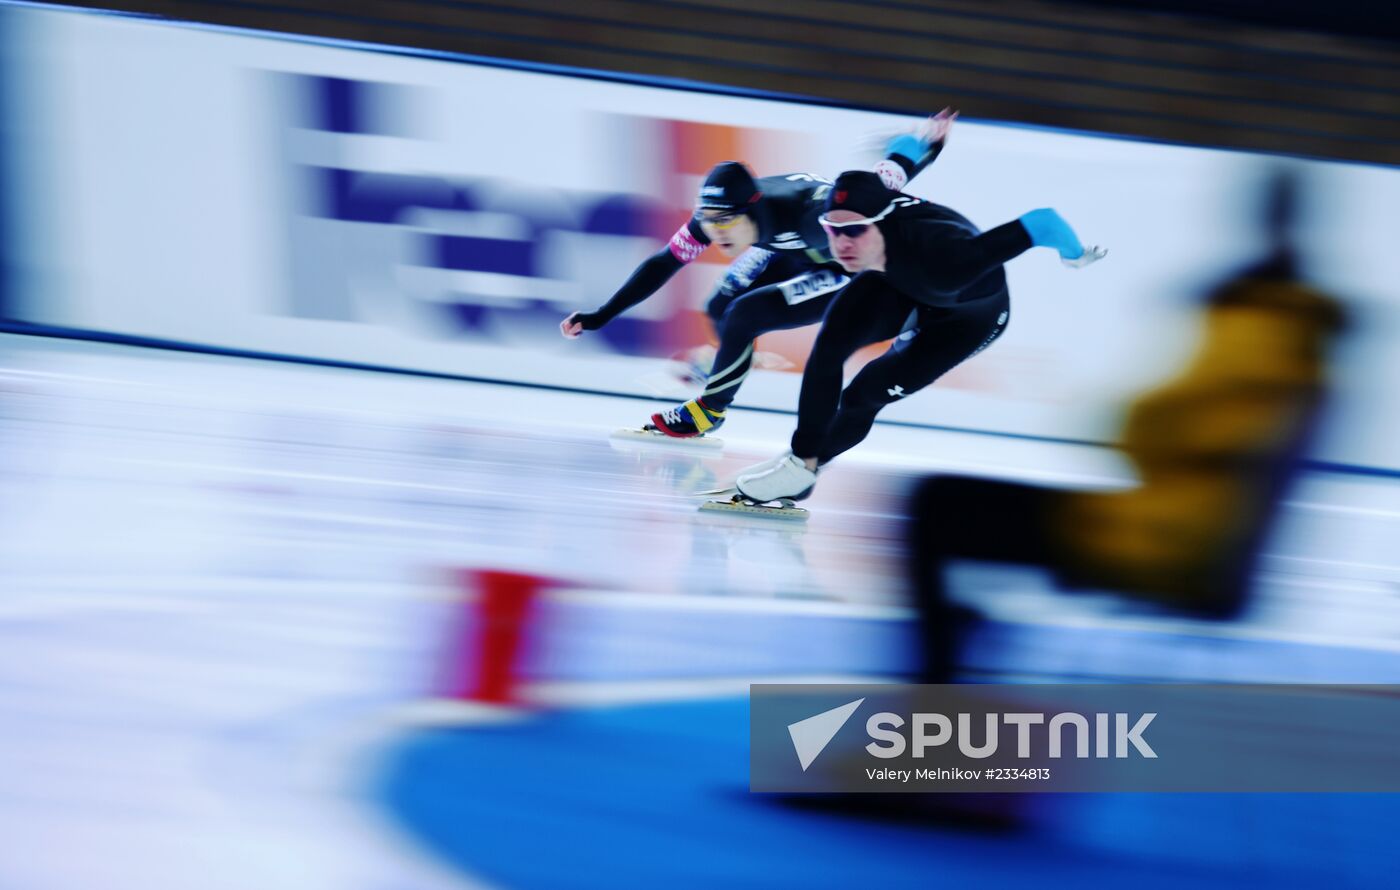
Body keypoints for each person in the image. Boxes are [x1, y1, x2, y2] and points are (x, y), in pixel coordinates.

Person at [905, 170, 1345, 681]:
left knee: (936, 503)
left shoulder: (1254, 329)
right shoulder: (1308, 348)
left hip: (1160, 542)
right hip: (1187, 538)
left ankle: (937, 694)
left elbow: (1144, 430)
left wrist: (1143, 419)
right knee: (953, 506)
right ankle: (957, 654)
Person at [560, 111, 958, 438]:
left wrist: (922, 145)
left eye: (726, 222)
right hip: (787, 250)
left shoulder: (813, 216)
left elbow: (884, 182)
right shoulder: (716, 220)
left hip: (839, 266)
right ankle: (728, 363)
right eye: (710, 222)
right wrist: (602, 314)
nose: (716, 233)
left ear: (751, 210)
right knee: (719, 306)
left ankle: (709, 410)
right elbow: (663, 262)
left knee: (745, 314)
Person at [733, 169, 1105, 502]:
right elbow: (893, 167)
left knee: (863, 395)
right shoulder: (869, 214)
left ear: (881, 222)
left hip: (966, 320)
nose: (842, 244)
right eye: (833, 230)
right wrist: (921, 143)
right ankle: (800, 464)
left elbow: (1043, 222)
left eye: (855, 231)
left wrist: (1074, 255)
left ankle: (810, 469)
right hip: (896, 280)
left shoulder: (950, 258)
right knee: (829, 347)